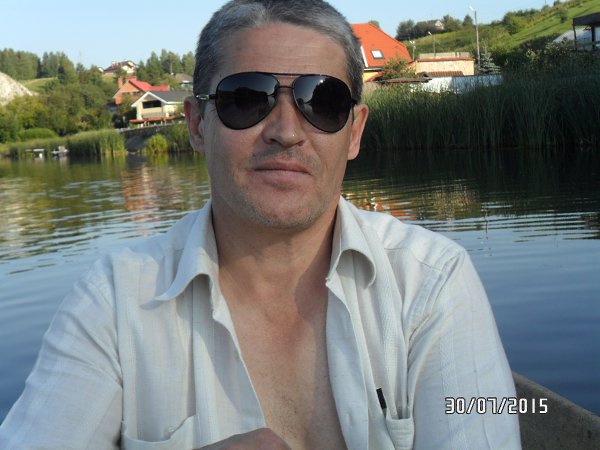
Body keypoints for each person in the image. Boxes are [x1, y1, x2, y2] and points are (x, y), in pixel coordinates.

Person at [0, 1, 521, 448]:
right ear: (196, 124)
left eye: (324, 101)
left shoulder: (433, 283)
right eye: (247, 99)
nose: (287, 131)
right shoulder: (113, 302)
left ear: (354, 132)